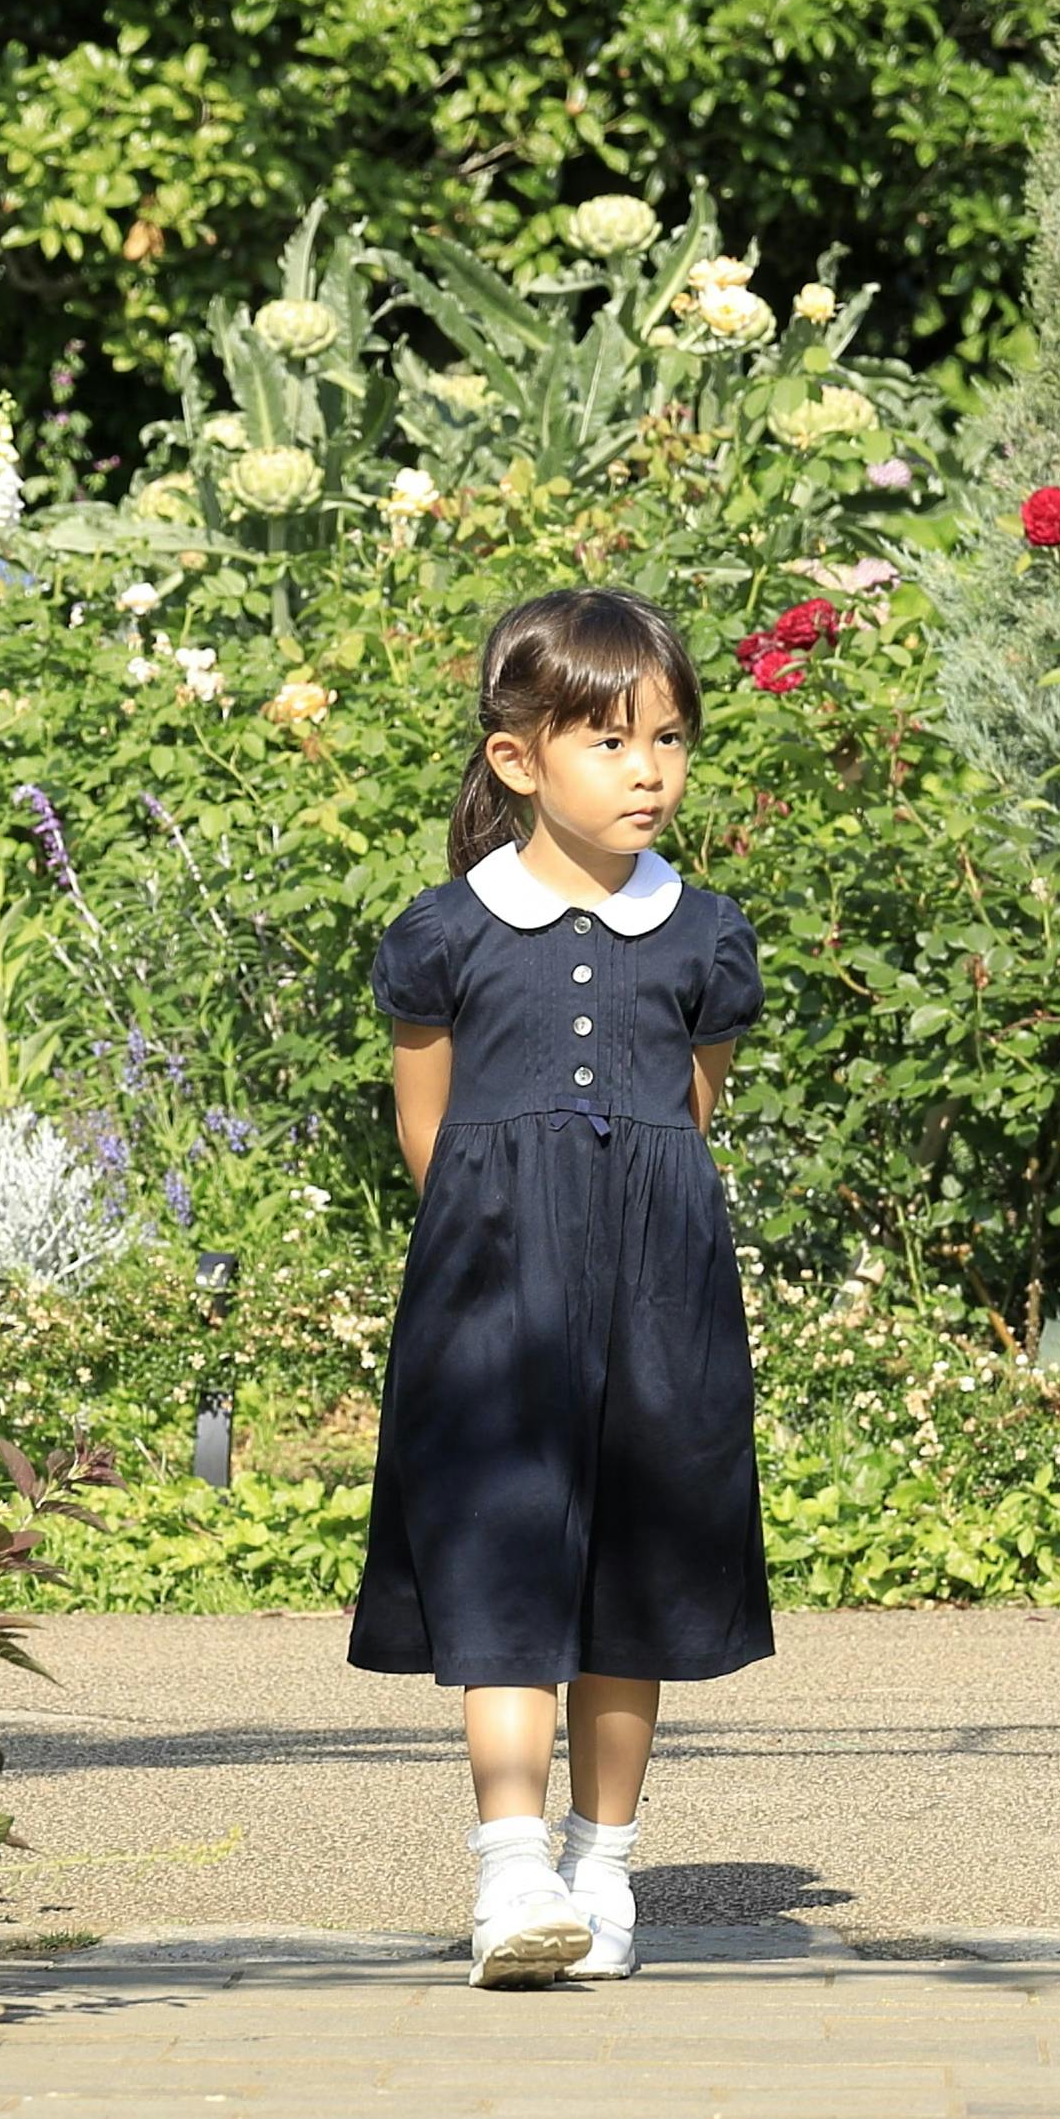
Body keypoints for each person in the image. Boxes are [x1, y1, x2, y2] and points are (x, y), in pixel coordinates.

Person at [351, 588, 774, 1985]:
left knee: (632, 1581)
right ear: (519, 759)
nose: (649, 767)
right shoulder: (444, 933)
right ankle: (512, 1868)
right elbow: (431, 1130)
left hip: (660, 1302)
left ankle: (605, 1866)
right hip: (491, 1306)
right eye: (609, 740)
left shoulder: (705, 935)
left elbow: (684, 1119)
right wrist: (505, 1252)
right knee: (503, 1563)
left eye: (670, 737)